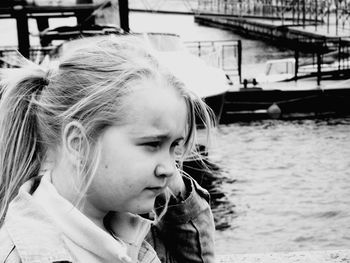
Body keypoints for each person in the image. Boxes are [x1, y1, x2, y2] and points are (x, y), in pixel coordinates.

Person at [0, 35, 216, 263]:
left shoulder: (133, 230)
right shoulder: (20, 256)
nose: (171, 170)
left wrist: (177, 197)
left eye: (174, 147)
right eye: (152, 144)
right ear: (78, 144)